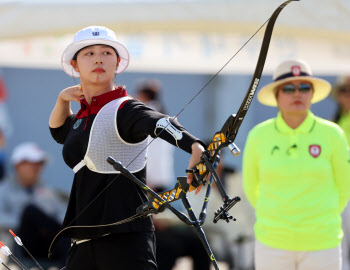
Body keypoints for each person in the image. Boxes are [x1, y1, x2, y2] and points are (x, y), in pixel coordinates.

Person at [48, 26, 205, 270]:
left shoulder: (126, 109)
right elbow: (59, 132)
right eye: (88, 53)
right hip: (83, 241)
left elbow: (161, 122)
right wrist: (61, 98)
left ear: (118, 62)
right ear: (75, 65)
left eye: (106, 53)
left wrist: (195, 146)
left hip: (125, 241)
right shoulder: (83, 116)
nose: (98, 58)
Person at [242, 59, 350, 270]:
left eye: (304, 87)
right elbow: (251, 188)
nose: (297, 93)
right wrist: (279, 220)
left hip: (322, 242)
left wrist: (318, 220)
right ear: (277, 95)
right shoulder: (258, 135)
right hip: (272, 242)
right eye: (289, 88)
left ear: (312, 93)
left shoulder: (333, 134)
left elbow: (344, 187)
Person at [0, 142, 68, 269]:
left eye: (40, 164)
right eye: (33, 164)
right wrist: (26, 220)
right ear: (18, 165)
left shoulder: (46, 191)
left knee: (65, 232)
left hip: (46, 245)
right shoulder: (3, 190)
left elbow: (62, 215)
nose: (38, 168)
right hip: (18, 246)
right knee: (30, 211)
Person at [332, 75, 350, 270]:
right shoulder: (339, 118)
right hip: (340, 186)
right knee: (340, 237)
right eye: (343, 91)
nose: (346, 96)